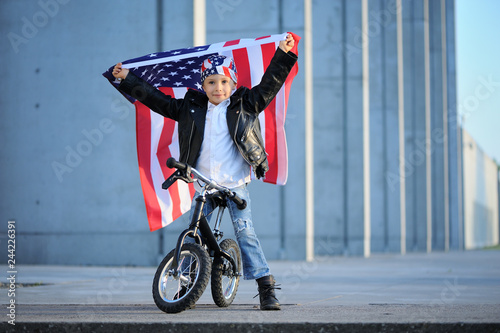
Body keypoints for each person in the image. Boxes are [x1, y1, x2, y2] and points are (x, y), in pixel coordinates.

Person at [112, 33, 297, 310]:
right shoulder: (191, 108)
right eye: (211, 82)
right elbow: (157, 100)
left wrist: (283, 54)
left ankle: (266, 286)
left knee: (245, 233)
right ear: (203, 85)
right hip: (205, 185)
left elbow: (270, 84)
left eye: (224, 82)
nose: (218, 87)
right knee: (194, 231)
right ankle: (187, 284)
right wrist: (127, 78)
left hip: (234, 184)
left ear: (233, 84)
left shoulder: (245, 104)